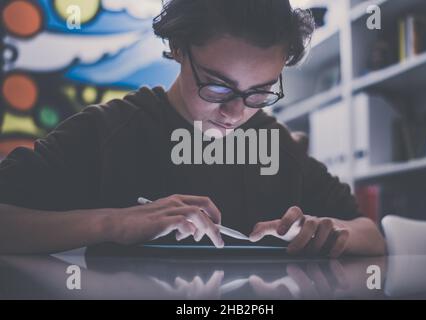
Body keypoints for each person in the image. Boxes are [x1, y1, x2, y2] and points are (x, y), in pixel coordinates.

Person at [0, 0, 385, 256]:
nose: (235, 113)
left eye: (260, 92)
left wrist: (325, 230)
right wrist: (112, 222)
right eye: (217, 87)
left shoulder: (274, 142)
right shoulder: (109, 130)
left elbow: (370, 234)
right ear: (179, 48)